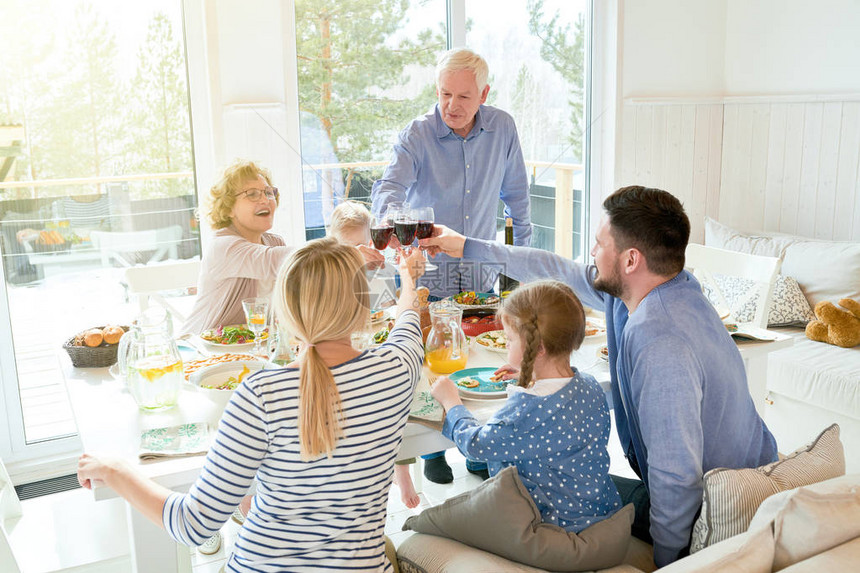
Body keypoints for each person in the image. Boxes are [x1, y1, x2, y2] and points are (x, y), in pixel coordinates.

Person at [420, 185, 779, 567]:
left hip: (717, 511)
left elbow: (675, 476)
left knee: (516, 489)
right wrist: (468, 246)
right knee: (543, 481)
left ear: (630, 260)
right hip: (714, 483)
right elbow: (554, 269)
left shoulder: (661, 341)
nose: (591, 253)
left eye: (599, 244)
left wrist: (668, 562)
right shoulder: (668, 287)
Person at [77, 238, 427, 572]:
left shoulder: (261, 394)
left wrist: (115, 470)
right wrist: (408, 278)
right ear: (363, 304)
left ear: (286, 311)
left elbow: (192, 524)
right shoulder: (396, 370)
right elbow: (408, 322)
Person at [372, 46, 533, 483]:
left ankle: (477, 440)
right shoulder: (418, 133)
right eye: (444, 94)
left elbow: (517, 196)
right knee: (432, 357)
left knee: (480, 353)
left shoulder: (503, 128)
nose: (451, 106)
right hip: (430, 270)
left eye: (463, 97)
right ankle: (431, 451)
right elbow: (389, 188)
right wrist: (391, 225)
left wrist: (522, 263)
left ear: (484, 93)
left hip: (478, 265)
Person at [430, 280, 624, 532]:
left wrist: (451, 402)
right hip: (601, 514)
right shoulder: (589, 385)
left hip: (555, 529)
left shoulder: (527, 409)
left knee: (436, 522)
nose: (507, 344)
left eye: (509, 340)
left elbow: (476, 445)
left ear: (538, 348)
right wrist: (529, 371)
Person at [181, 161, 382, 337]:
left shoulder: (275, 242)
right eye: (252, 194)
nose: (265, 199)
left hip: (252, 351)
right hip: (200, 351)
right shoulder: (222, 247)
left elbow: (303, 286)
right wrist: (348, 252)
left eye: (269, 192)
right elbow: (273, 261)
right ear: (228, 206)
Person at [328, 200, 421, 509]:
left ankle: (403, 470)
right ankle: (392, 469)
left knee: (401, 409)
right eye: (353, 247)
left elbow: (386, 313)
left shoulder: (377, 270)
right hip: (344, 359)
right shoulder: (329, 276)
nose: (364, 252)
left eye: (366, 243)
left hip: (373, 348)